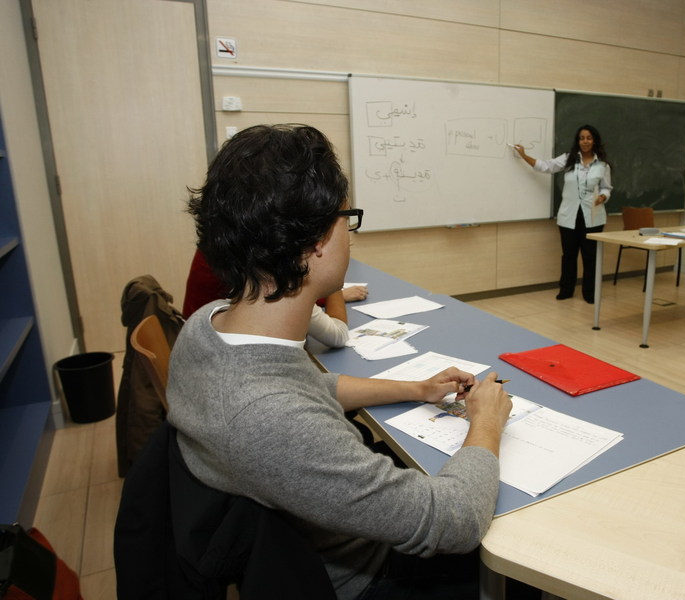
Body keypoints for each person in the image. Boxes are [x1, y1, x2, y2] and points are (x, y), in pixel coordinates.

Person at [166, 123, 513, 600]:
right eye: (344, 219)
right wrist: (487, 422)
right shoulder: (268, 418)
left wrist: (417, 388)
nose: (350, 235)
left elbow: (310, 390)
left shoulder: (207, 326)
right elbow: (452, 522)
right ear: (314, 243)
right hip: (367, 578)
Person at [182, 247, 369, 350]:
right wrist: (334, 281)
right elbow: (337, 336)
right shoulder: (274, 269)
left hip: (202, 348)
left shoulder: (222, 247)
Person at [513, 124, 612, 303]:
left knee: (591, 257)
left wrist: (603, 196)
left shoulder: (603, 165)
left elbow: (606, 187)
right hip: (569, 216)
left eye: (589, 138)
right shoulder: (568, 159)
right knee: (568, 255)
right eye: (582, 138)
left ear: (594, 140)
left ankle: (590, 293)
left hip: (593, 217)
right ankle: (566, 289)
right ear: (578, 141)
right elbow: (545, 166)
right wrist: (524, 155)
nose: (585, 141)